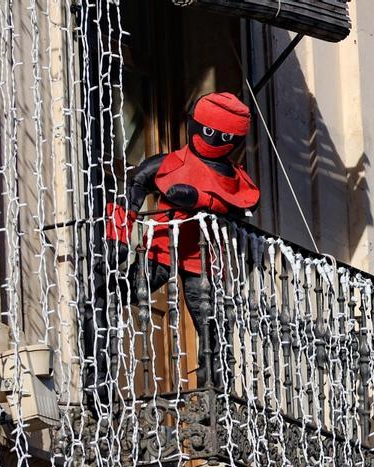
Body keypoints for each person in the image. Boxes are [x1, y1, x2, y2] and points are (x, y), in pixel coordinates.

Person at [84, 92, 260, 402]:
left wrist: (200, 199)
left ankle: (214, 394)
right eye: (209, 130)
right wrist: (117, 237)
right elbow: (134, 186)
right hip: (160, 253)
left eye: (223, 135)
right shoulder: (169, 164)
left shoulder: (233, 177)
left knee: (212, 330)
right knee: (105, 299)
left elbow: (241, 207)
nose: (214, 138)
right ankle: (97, 381)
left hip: (202, 261)